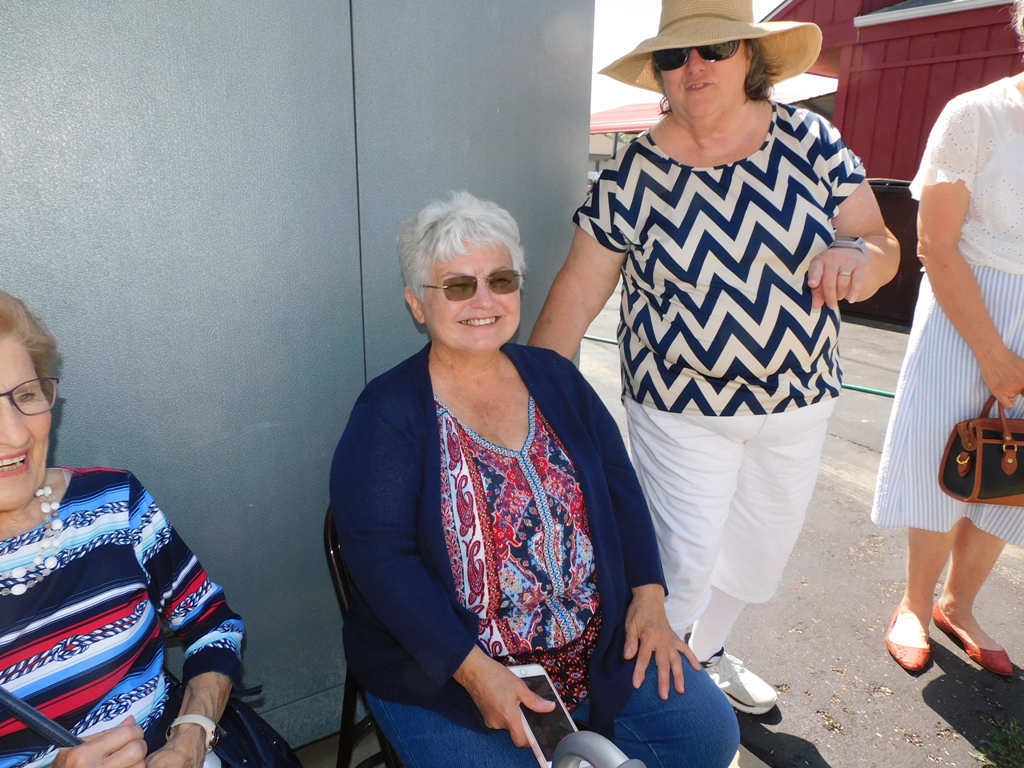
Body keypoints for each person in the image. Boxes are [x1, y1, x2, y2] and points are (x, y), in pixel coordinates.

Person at [529, 0, 900, 715]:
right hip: (681, 410)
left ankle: (706, 656)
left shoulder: (812, 141)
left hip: (799, 400)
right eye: (675, 55)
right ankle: (646, 714)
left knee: (758, 556)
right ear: (659, 73)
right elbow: (576, 292)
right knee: (677, 571)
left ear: (750, 57)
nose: (693, 67)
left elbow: (880, 242)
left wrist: (860, 258)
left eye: (715, 48)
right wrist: (535, 403)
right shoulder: (633, 173)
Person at [330, 192, 739, 768]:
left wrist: (649, 598)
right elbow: (381, 563)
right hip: (451, 668)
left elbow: (621, 491)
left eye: (500, 280)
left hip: (595, 645)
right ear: (417, 304)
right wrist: (475, 671)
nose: (484, 300)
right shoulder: (387, 415)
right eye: (457, 286)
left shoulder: (556, 379)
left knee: (707, 736)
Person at [0, 290, 244, 768]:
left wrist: (191, 737)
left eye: (25, 395)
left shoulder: (113, 503)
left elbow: (213, 622)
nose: (17, 432)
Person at [872, 1, 1024, 677]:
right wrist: (992, 351)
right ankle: (913, 602)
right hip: (965, 316)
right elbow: (935, 242)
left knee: (1014, 472)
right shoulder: (975, 115)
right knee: (945, 455)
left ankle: (959, 605)